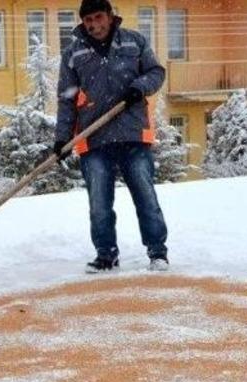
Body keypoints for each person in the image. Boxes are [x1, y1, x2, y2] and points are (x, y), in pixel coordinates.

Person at [54, 0, 170, 273]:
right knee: (99, 203)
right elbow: (66, 99)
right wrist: (61, 139)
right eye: (88, 20)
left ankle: (157, 252)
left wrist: (139, 87)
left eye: (98, 17)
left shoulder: (134, 42)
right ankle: (106, 254)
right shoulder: (73, 53)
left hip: (132, 133)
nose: (94, 25)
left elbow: (156, 72)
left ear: (109, 16)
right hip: (94, 137)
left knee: (145, 195)